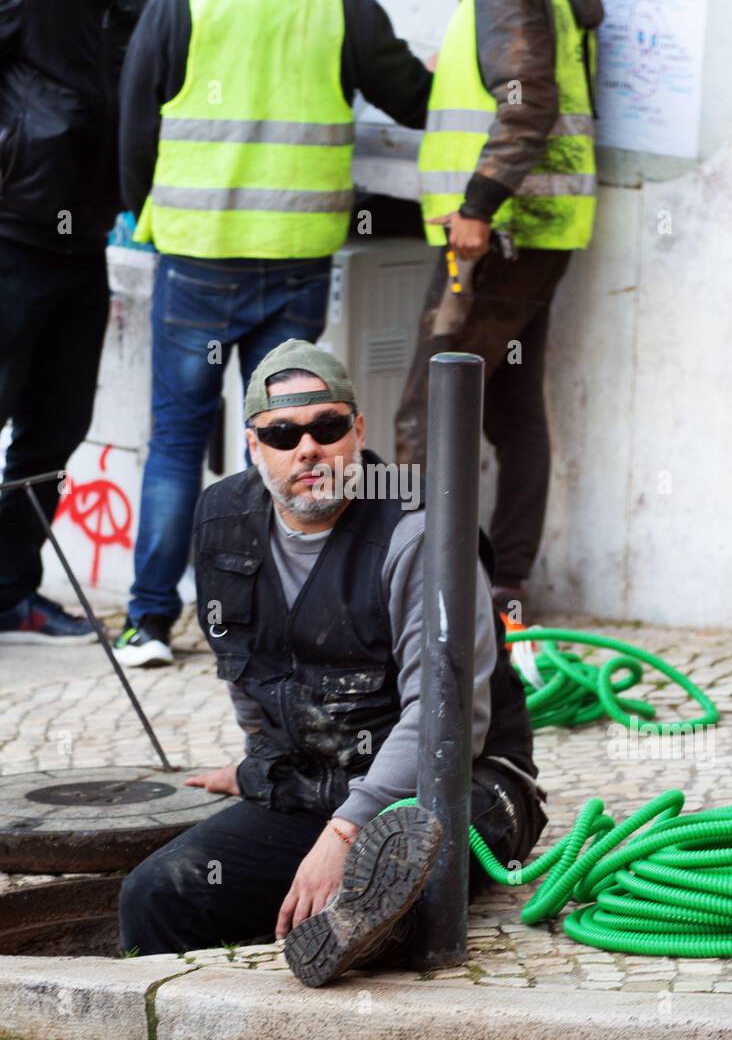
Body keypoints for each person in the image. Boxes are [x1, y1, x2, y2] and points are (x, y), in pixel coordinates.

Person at [118, 340, 547, 986]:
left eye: (328, 426)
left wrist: (346, 831)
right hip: (314, 786)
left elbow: (449, 720)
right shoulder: (221, 519)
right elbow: (244, 665)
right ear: (254, 447)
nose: (308, 448)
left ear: (359, 431)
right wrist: (259, 767)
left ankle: (371, 923)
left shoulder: (419, 529)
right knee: (160, 893)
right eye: (284, 434)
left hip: (462, 781)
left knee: (402, 879)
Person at [113, 0, 432, 669]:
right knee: (287, 441)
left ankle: (149, 622)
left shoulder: (184, 0)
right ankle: (265, 615)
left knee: (178, 442)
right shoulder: (345, 9)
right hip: (294, 261)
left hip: (198, 256)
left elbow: (134, 125)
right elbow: (417, 99)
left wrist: (146, 213)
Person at [395, 0, 603, 617]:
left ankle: (435, 596)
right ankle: (504, 585)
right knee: (512, 410)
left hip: (500, 234)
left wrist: (477, 206)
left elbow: (525, 103)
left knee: (430, 410)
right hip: (540, 230)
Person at [0, 0, 183, 645]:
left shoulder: (143, 11)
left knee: (56, 430)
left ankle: (9, 592)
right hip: (8, 241)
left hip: (84, 253)